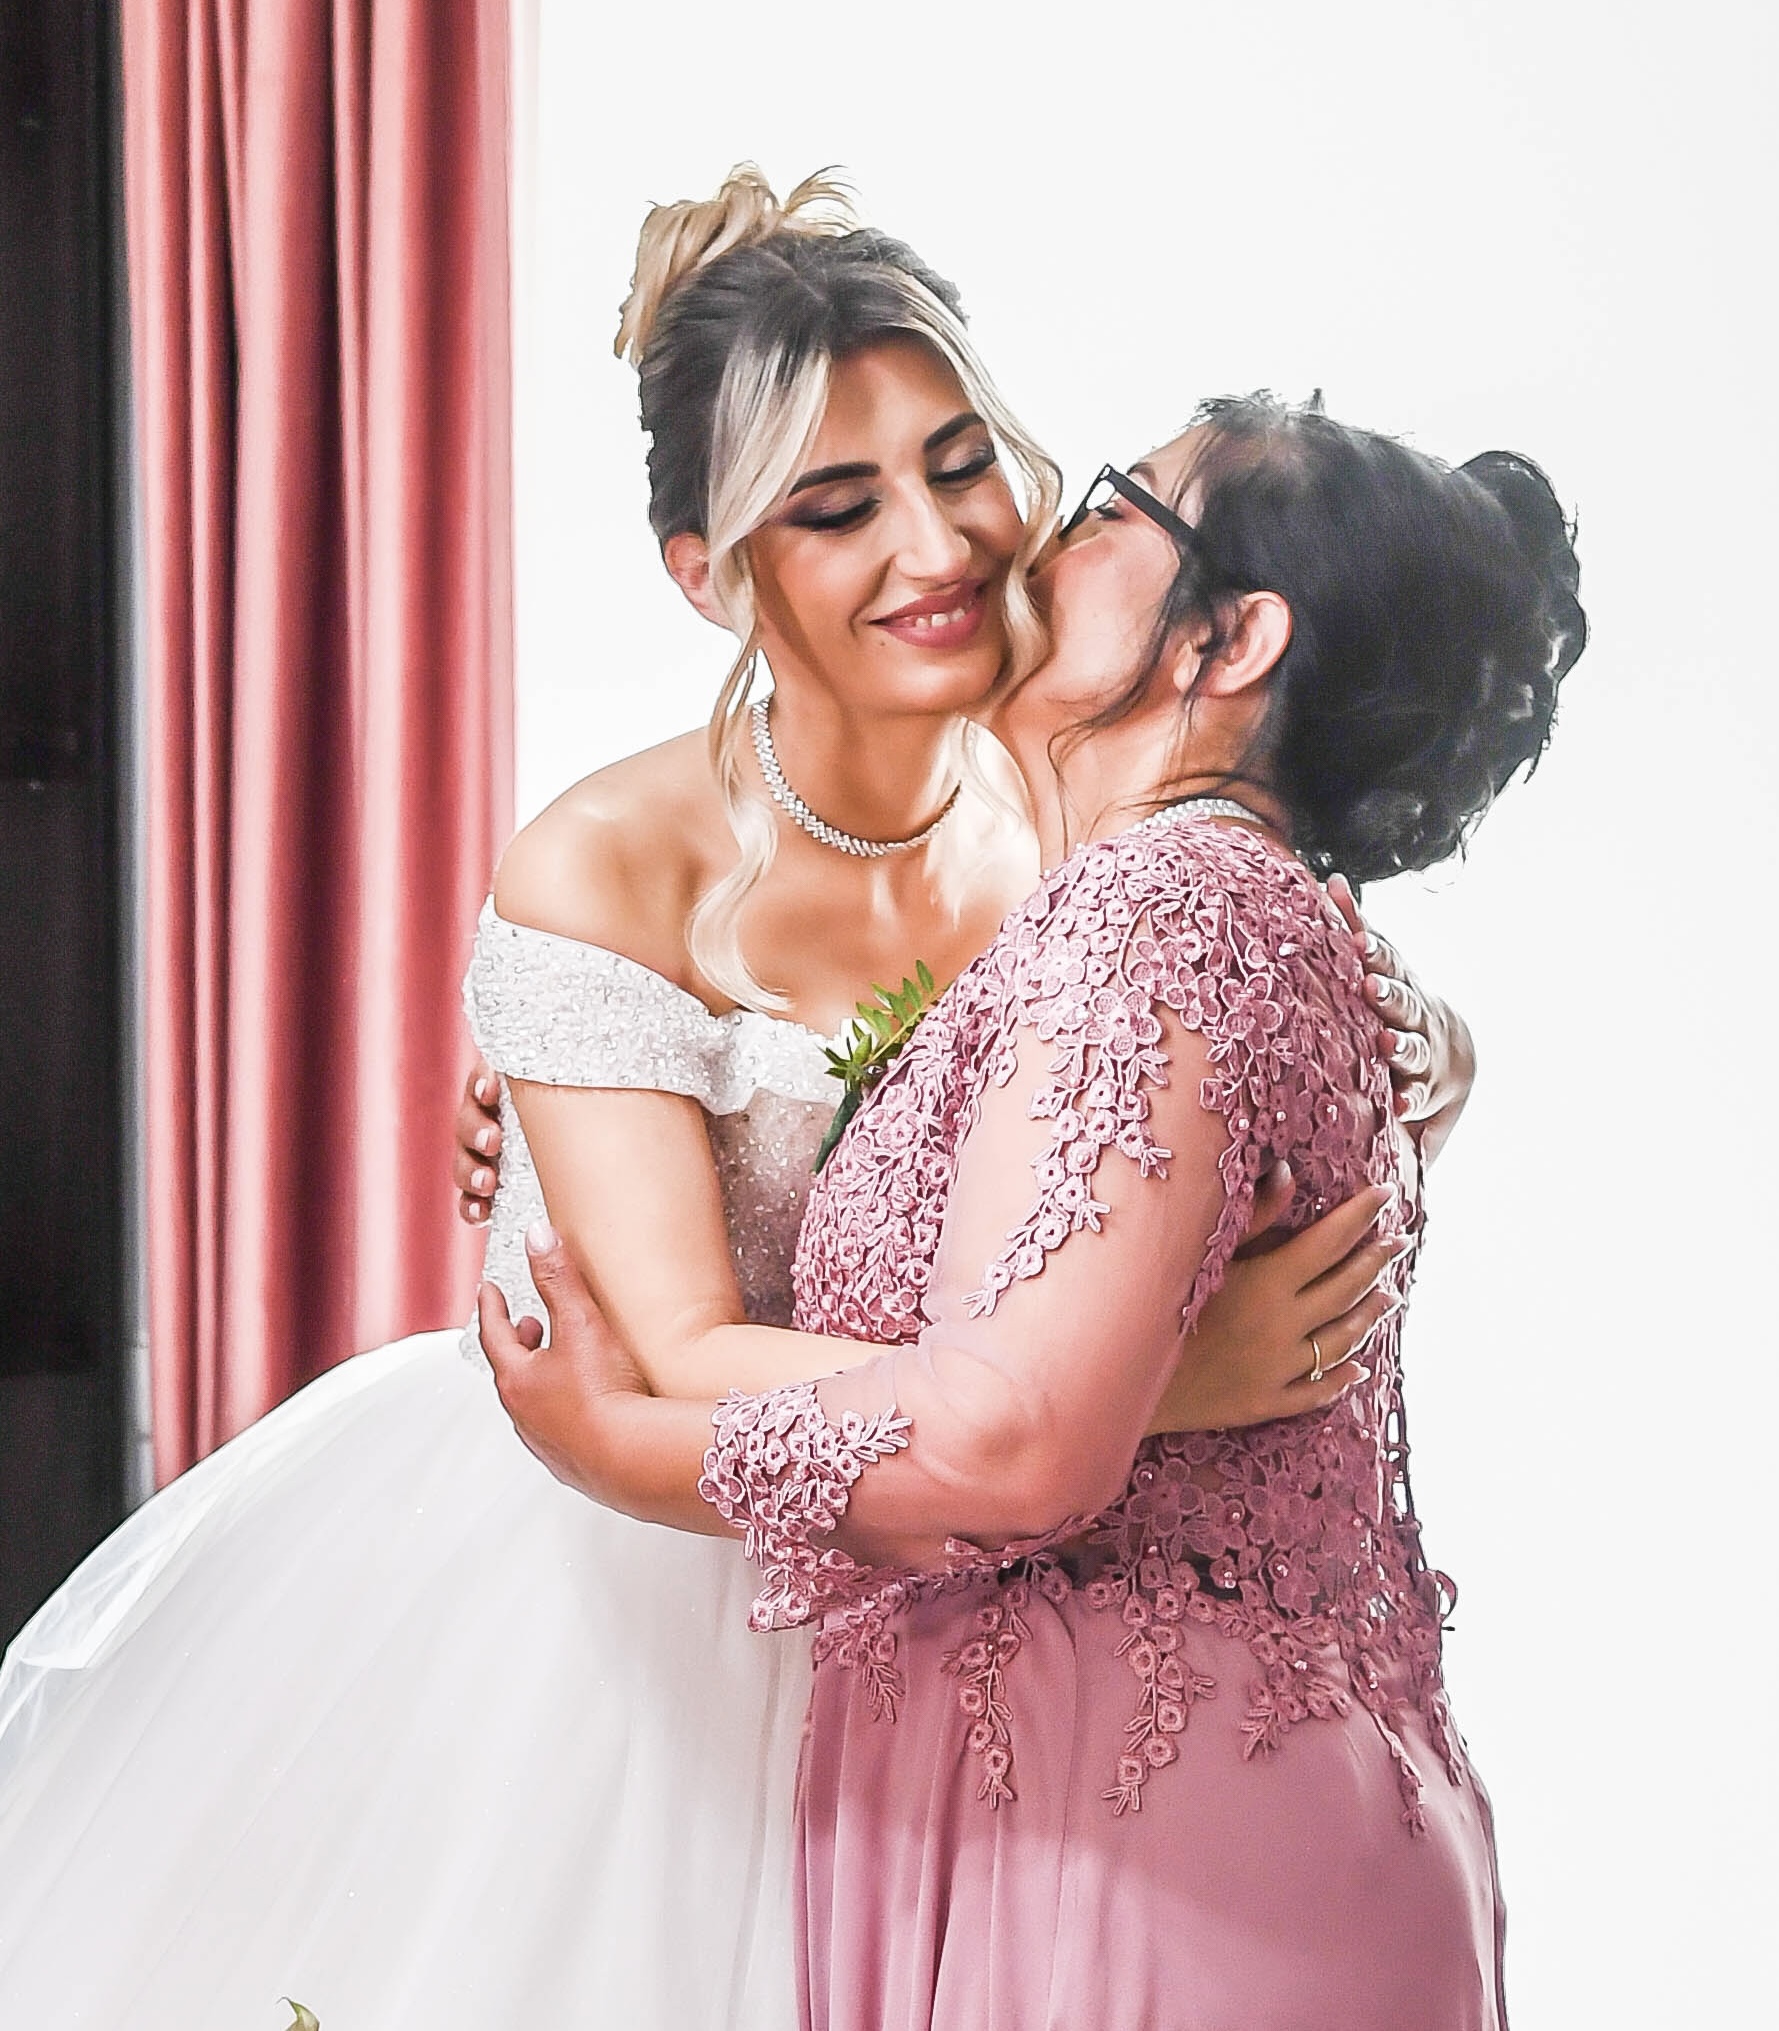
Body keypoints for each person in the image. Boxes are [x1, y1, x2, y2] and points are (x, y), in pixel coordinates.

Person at [0, 172, 1461, 2030]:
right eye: (836, 509)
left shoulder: (1077, 799)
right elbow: (674, 1350)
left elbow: (1261, 1038)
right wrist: (1140, 1389)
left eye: (961, 463)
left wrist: (1437, 1048)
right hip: (636, 1591)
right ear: (710, 575)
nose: (936, 543)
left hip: (971, 1603)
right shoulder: (608, 867)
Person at [482, 393, 1586, 2030]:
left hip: (1152, 1851)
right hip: (1197, 1827)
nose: (1041, 534)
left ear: (1227, 640)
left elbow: (1013, 1442)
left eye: (1115, 510)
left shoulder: (1158, 909)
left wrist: (614, 1444)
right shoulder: (1212, 908)